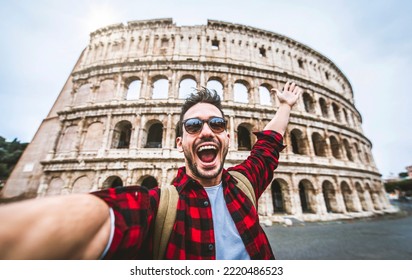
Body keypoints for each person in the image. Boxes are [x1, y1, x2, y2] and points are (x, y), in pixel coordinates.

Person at [0, 81, 302, 260]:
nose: (207, 131)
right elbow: (103, 217)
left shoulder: (245, 182)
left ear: (227, 137)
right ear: (180, 141)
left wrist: (286, 105)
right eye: (194, 125)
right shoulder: (157, 206)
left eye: (217, 124)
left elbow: (268, 145)